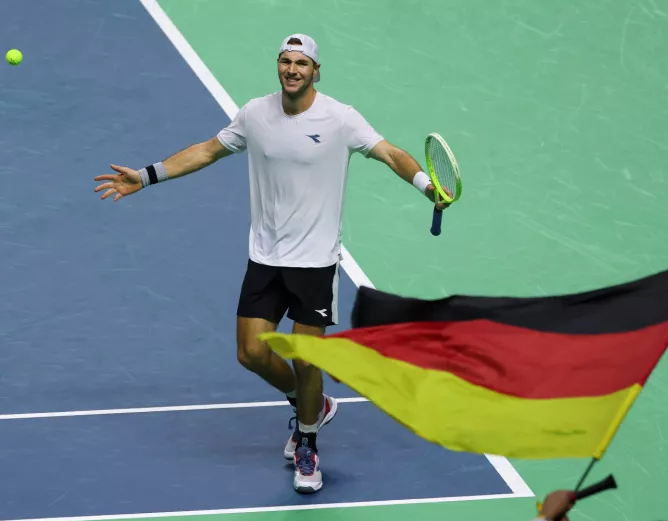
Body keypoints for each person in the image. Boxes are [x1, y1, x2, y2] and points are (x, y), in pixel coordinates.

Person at [93, 33, 447, 494]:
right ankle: (310, 405)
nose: (293, 69)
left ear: (316, 71)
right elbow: (206, 150)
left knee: (305, 357)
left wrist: (425, 186)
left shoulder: (341, 119)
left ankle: (307, 441)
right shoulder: (255, 114)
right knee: (251, 353)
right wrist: (145, 176)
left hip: (315, 262)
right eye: (286, 61)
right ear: (278, 67)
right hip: (266, 257)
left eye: (302, 63)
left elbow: (390, 154)